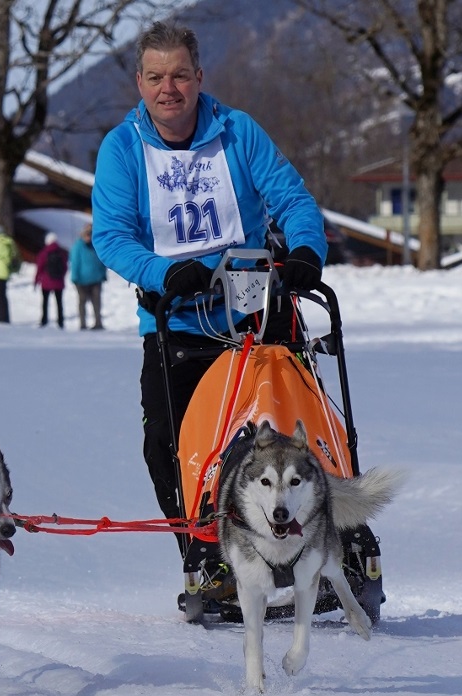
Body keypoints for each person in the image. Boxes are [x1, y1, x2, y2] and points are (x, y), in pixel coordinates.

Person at [91, 20, 328, 558]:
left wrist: (306, 251)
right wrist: (164, 273)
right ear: (139, 82)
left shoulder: (237, 132)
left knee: (291, 435)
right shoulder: (122, 148)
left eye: (179, 75)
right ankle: (204, 555)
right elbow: (112, 236)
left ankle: (317, 543)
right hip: (175, 317)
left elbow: (292, 199)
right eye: (155, 77)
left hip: (254, 310)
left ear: (199, 77)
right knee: (168, 446)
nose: (168, 89)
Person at [69, 222, 107, 330]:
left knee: (97, 303)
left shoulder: (96, 246)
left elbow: (102, 261)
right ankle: (82, 323)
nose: (88, 237)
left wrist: (103, 274)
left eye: (90, 234)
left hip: (96, 279)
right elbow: (75, 263)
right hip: (81, 281)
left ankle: (98, 322)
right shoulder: (78, 247)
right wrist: (75, 277)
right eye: (87, 234)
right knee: (82, 302)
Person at [34, 232, 67, 328]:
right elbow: (65, 267)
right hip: (59, 282)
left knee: (45, 302)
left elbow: (40, 267)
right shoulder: (61, 252)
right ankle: (60, 321)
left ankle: (44, 320)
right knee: (59, 302)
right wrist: (62, 276)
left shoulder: (44, 252)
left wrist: (36, 280)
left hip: (46, 281)